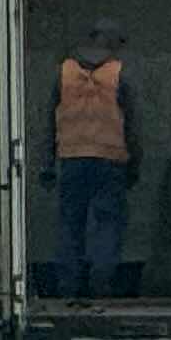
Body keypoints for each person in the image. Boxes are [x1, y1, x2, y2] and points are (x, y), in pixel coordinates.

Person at [38, 18, 141, 300]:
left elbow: (49, 122)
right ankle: (101, 283)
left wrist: (47, 163)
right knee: (108, 224)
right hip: (110, 161)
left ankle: (68, 285)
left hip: (71, 160)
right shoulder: (120, 74)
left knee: (70, 223)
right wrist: (135, 165)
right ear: (113, 42)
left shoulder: (64, 73)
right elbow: (133, 126)